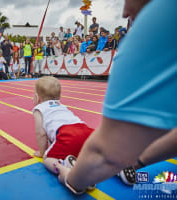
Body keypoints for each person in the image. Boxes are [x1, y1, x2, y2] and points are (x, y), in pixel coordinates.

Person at [55, 0, 177, 195]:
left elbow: (107, 153)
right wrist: (136, 162)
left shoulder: (160, 20)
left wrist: (72, 179)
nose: (124, 12)